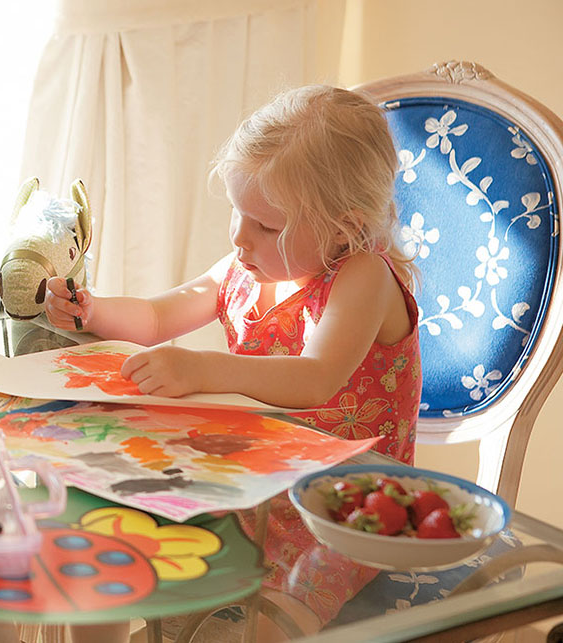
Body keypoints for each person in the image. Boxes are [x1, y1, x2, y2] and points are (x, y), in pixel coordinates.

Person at [44, 84, 421, 626]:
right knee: (104, 545)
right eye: (238, 212)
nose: (241, 237)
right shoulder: (251, 263)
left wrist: (201, 367)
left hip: (349, 505)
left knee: (273, 620)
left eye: (267, 225)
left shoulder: (364, 276)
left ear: (348, 227)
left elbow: (316, 378)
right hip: (254, 478)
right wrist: (92, 310)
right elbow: (156, 318)